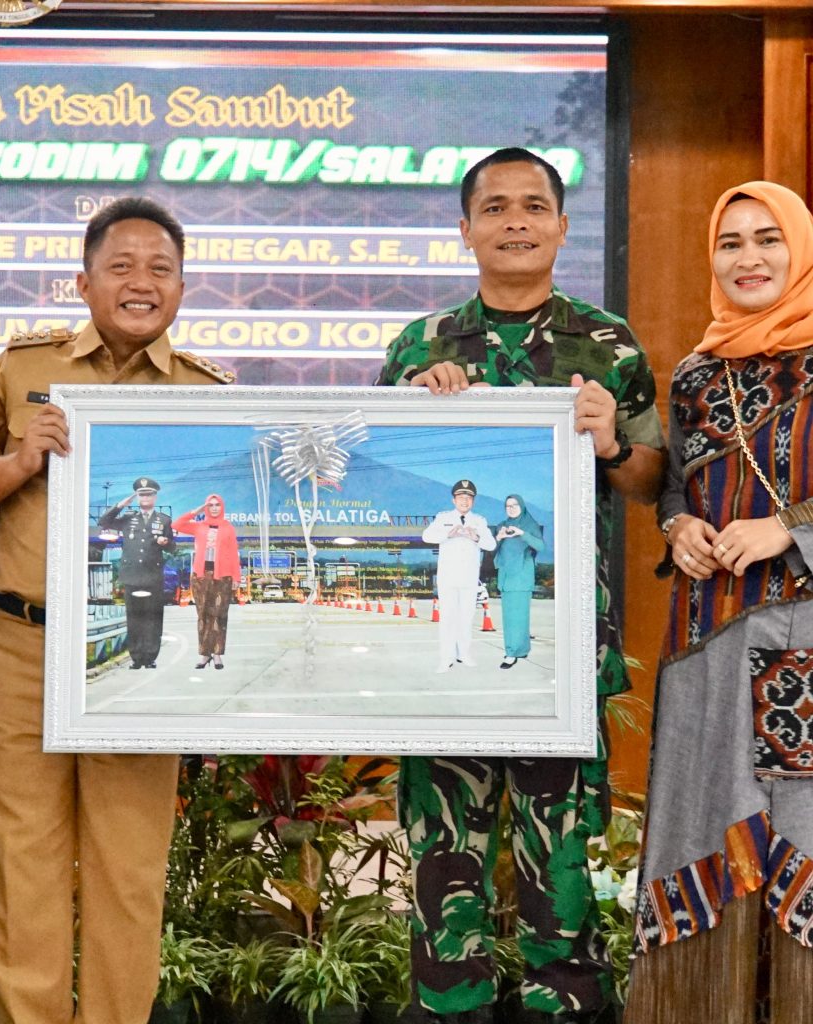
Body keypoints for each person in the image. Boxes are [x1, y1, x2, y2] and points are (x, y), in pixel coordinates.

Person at [376, 147, 665, 1024]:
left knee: (561, 877)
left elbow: (652, 480)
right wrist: (413, 409)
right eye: (495, 207)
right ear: (465, 229)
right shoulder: (420, 345)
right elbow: (381, 476)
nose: (515, 222)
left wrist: (611, 441)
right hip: (448, 674)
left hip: (562, 660)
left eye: (533, 206)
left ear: (562, 227)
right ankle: (450, 1007)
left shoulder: (607, 343)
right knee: (444, 877)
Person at [0, 197, 234, 1024]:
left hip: (140, 645)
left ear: (182, 286)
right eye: (121, 266)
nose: (141, 282)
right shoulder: (19, 370)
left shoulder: (206, 393)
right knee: (21, 862)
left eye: (160, 269)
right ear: (83, 282)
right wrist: (19, 459)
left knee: (128, 868)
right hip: (25, 644)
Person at [627, 182, 813, 1024]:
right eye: (729, 242)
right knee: (702, 828)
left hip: (802, 639)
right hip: (705, 644)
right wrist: (678, 528)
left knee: (800, 835)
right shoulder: (698, 372)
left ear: (799, 249)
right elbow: (674, 485)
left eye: (768, 239)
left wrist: (787, 527)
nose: (749, 258)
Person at [98, 476, 176, 669]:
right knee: (134, 617)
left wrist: (166, 542)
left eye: (149, 495)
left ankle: (150, 657)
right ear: (137, 497)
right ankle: (136, 657)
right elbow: (104, 521)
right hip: (132, 575)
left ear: (155, 497)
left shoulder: (164, 520)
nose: (145, 498)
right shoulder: (128, 518)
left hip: (152, 575)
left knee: (152, 617)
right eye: (141, 495)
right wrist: (121, 505)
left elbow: (172, 547)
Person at [422, 479, 497, 673]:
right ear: (453, 500)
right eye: (461, 497)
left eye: (468, 497)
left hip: (469, 578)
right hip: (448, 577)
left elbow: (491, 545)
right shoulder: (443, 518)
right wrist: (448, 534)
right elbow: (426, 536)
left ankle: (464, 654)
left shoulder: (479, 521)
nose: (465, 501)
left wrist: (476, 537)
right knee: (447, 618)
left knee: (466, 617)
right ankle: (446, 658)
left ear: (473, 501)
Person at [172, 494, 241, 670]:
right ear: (206, 508)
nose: (214, 508)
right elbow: (176, 524)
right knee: (203, 616)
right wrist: (196, 511)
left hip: (223, 577)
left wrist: (236, 577)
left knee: (219, 616)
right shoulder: (199, 526)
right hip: (201, 577)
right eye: (210, 505)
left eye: (217, 505)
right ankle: (204, 655)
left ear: (222, 507)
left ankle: (217, 655)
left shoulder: (228, 528)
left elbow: (233, 553)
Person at [494, 494, 546, 669]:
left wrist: (521, 533)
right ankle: (519, 650)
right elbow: (492, 550)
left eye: (514, 505)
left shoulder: (530, 525)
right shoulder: (502, 526)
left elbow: (541, 546)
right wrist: (499, 537)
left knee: (519, 617)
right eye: (507, 506)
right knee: (510, 617)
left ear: (522, 506)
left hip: (521, 577)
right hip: (506, 578)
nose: (511, 508)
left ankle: (511, 654)